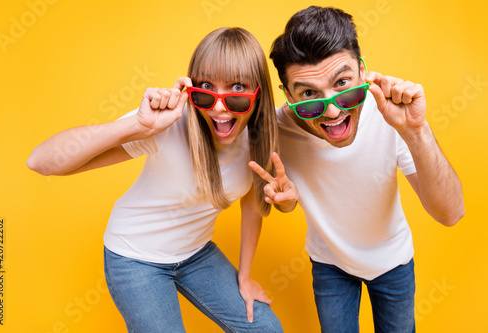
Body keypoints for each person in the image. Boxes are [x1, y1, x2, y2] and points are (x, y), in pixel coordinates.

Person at [27, 27, 284, 333]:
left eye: (237, 89)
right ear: (190, 88)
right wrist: (136, 125)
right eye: (205, 88)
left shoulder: (262, 137)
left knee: (266, 329)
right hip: (135, 258)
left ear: (258, 93)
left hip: (196, 253)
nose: (218, 107)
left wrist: (245, 275)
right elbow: (40, 162)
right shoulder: (168, 125)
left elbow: (252, 201)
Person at [250, 6, 465, 332]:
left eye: (343, 83)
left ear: (362, 71)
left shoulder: (391, 113)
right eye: (309, 94)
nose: (333, 109)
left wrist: (416, 130)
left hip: (393, 263)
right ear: (288, 95)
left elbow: (450, 213)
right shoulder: (276, 129)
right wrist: (286, 203)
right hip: (329, 265)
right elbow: (286, 199)